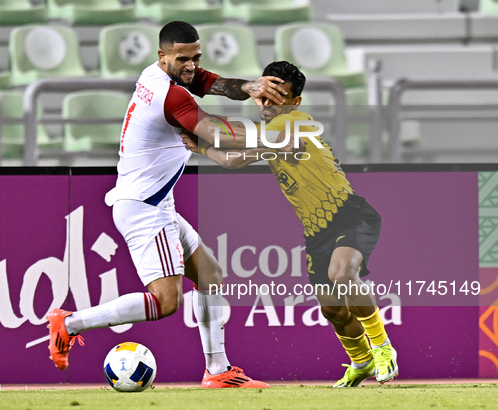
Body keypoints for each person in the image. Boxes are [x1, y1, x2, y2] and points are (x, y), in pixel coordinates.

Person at [47, 21, 290, 389]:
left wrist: (251, 86)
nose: (191, 66)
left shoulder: (161, 75)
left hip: (154, 204)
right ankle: (69, 323)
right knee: (165, 302)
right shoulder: (171, 96)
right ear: (162, 56)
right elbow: (219, 135)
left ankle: (218, 371)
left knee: (210, 274)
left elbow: (215, 83)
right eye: (183, 59)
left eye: (196, 57)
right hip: (144, 208)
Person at [181, 61, 399, 388]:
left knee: (342, 274)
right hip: (317, 232)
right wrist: (198, 147)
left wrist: (194, 122)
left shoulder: (296, 124)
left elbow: (232, 141)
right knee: (334, 311)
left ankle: (382, 348)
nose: (267, 104)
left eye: (277, 97)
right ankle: (361, 361)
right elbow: (233, 158)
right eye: (263, 97)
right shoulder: (272, 135)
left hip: (349, 213)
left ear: (295, 102)